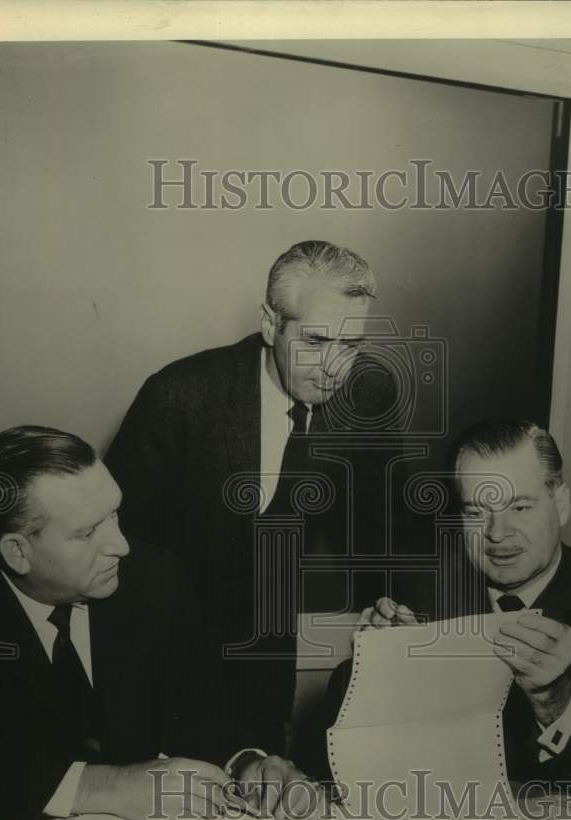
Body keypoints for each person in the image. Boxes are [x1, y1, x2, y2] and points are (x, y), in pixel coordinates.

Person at [0, 426, 313, 820]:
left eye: (114, 514)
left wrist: (246, 763)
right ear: (18, 552)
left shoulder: (155, 579)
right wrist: (105, 789)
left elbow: (198, 709)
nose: (121, 545)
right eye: (86, 533)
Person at [105, 240, 399, 756]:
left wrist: (389, 600)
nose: (334, 367)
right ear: (270, 324)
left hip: (266, 652)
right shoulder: (178, 396)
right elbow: (118, 545)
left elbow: (379, 522)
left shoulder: (368, 396)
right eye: (314, 341)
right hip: (157, 651)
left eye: (350, 344)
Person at [336, 418, 571, 796]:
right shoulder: (426, 590)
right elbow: (334, 740)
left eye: (519, 507)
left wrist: (556, 700)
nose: (497, 533)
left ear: (560, 504)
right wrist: (380, 669)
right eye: (476, 512)